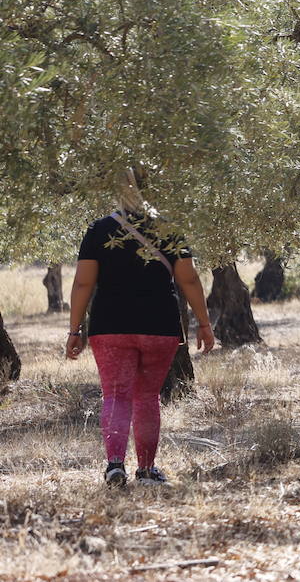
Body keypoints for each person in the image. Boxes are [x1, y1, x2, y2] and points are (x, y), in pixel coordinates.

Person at [66, 169, 215, 487]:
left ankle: (115, 465)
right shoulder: (168, 229)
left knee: (116, 396)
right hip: (158, 325)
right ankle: (147, 471)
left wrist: (74, 330)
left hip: (110, 326)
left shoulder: (99, 229)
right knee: (146, 397)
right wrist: (204, 323)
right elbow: (188, 279)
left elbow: (82, 283)